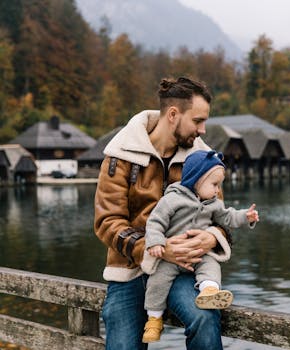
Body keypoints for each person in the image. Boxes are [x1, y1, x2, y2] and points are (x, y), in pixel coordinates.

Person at [94, 76, 230, 350]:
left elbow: (220, 216)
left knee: (204, 318)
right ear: (173, 115)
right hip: (129, 271)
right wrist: (155, 248)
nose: (203, 130)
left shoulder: (204, 159)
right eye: (197, 120)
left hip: (183, 271)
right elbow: (107, 222)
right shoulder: (120, 155)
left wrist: (213, 237)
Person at [141, 149, 259, 343]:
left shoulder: (212, 203)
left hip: (198, 255)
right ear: (197, 180)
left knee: (211, 265)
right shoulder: (172, 199)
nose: (217, 190)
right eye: (214, 184)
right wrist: (155, 242)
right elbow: (155, 222)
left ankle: (209, 290)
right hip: (170, 257)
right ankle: (154, 318)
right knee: (157, 281)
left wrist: (245, 216)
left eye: (219, 185)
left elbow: (227, 217)